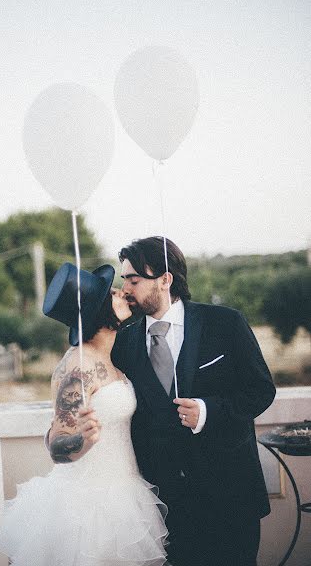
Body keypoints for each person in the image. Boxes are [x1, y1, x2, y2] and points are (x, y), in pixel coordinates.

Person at [108, 236, 276, 566]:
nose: (126, 288)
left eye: (134, 279)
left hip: (230, 496)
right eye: (124, 279)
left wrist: (209, 411)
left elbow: (260, 390)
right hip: (168, 506)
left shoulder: (226, 324)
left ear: (166, 279)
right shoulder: (123, 342)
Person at [0, 262, 169, 566]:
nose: (121, 292)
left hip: (125, 496)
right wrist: (84, 440)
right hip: (88, 509)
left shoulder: (111, 358)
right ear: (98, 311)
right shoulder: (78, 366)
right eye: (111, 293)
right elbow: (58, 446)